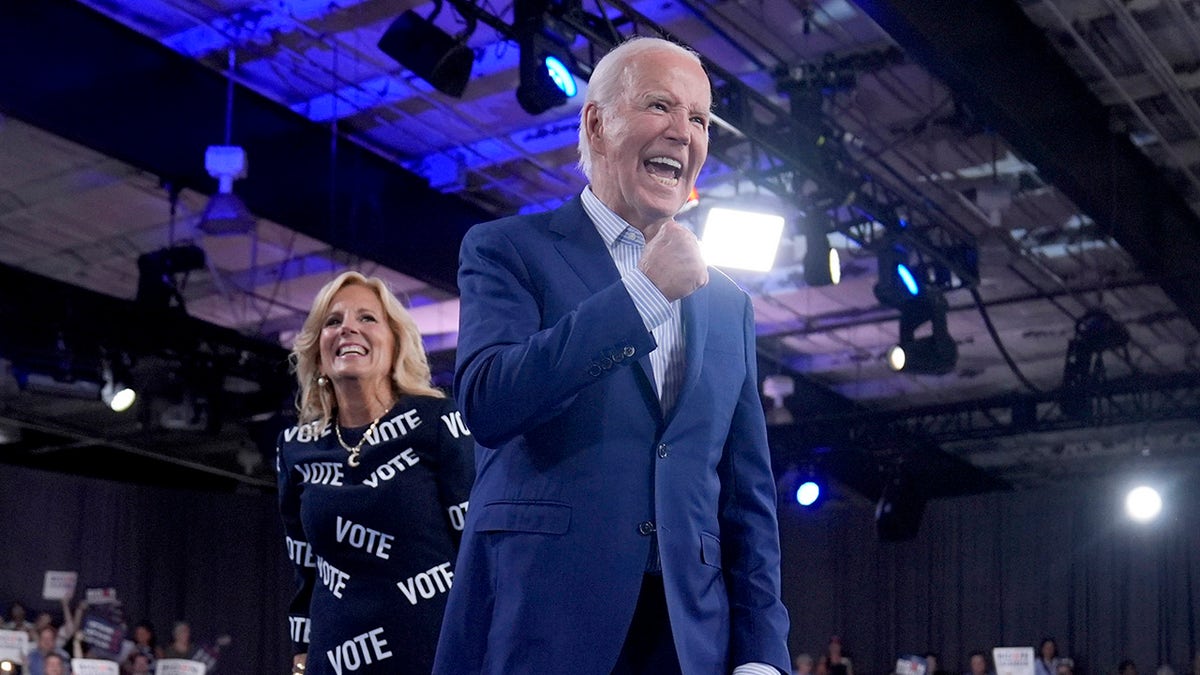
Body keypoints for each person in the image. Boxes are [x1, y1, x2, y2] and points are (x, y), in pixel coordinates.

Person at [434, 35, 791, 674]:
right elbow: (488, 401)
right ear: (598, 125)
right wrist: (643, 294)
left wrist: (762, 654)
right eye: (660, 106)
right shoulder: (507, 249)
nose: (684, 133)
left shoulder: (728, 305)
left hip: (689, 644)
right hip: (541, 626)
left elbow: (747, 499)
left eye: (700, 119)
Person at [277, 271, 475, 675]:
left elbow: (477, 551)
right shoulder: (296, 446)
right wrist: (301, 655)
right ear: (318, 351)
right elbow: (305, 569)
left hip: (433, 654)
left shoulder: (439, 422)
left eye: (367, 318)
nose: (348, 327)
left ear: (395, 341)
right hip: (332, 658)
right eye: (333, 321)